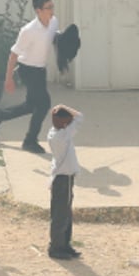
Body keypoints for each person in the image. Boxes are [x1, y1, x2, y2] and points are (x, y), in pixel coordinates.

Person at [0, 0, 60, 155]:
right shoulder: (28, 31)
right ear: (38, 10)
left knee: (31, 105)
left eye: (52, 7)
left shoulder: (54, 22)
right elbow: (13, 55)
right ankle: (30, 141)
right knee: (43, 104)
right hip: (27, 70)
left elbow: (54, 38)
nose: (52, 11)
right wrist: (8, 79)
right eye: (48, 8)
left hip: (40, 69)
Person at [48, 104, 83, 260]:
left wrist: (59, 111)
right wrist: (62, 106)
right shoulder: (64, 135)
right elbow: (80, 116)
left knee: (64, 214)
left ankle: (64, 244)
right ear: (64, 123)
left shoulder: (53, 133)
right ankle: (56, 247)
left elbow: (75, 119)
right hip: (64, 179)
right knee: (62, 215)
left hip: (60, 178)